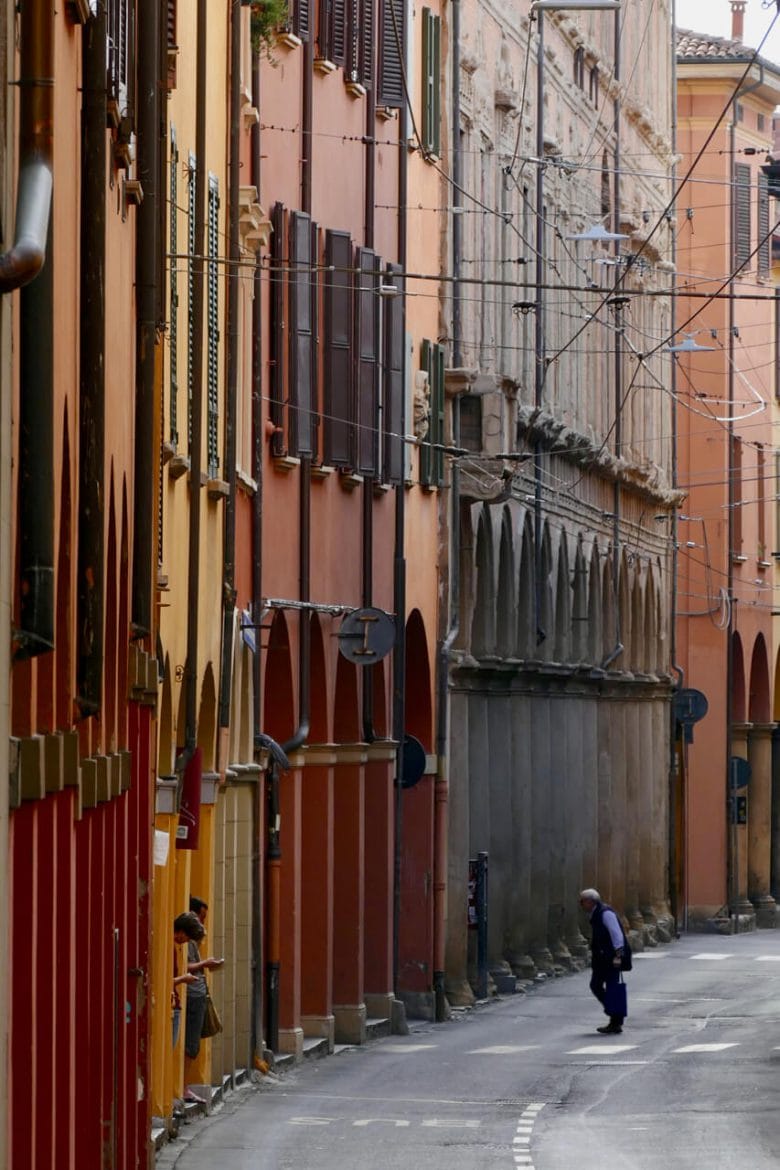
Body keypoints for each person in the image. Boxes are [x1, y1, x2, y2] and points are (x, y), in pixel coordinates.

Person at [579, 888, 628, 1035]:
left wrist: (618, 956)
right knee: (597, 985)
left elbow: (617, 934)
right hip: (602, 958)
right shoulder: (597, 913)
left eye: (582, 902)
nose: (581, 905)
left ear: (589, 901)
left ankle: (615, 1019)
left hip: (610, 958)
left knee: (610, 987)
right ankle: (614, 1015)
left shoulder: (605, 913)